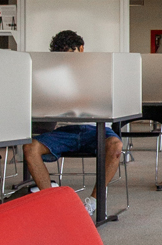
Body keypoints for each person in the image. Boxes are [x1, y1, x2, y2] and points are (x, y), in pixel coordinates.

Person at [22, 30, 122, 214]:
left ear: (81, 49)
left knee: (115, 146)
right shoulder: (54, 74)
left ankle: (93, 201)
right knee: (30, 148)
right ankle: (52, 202)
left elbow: (110, 101)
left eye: (70, 55)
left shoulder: (100, 71)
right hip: (66, 129)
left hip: (96, 129)